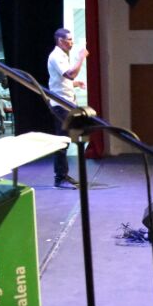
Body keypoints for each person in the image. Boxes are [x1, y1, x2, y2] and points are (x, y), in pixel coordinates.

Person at [49, 25, 89, 187]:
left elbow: (61, 81)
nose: (72, 43)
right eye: (69, 40)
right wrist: (81, 58)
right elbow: (70, 73)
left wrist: (75, 84)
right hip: (60, 105)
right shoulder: (56, 56)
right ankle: (60, 177)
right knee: (63, 140)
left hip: (66, 103)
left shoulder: (63, 55)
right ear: (60, 41)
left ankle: (63, 175)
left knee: (69, 138)